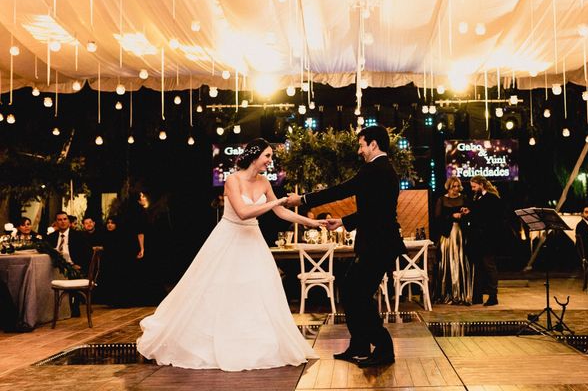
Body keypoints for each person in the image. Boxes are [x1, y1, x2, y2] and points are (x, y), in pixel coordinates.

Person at [137, 138, 323, 371]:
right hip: (229, 238)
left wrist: (311, 223)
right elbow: (244, 212)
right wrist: (278, 201)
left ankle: (255, 344)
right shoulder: (232, 181)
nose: (270, 161)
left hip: (253, 241)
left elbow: (281, 211)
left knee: (260, 289)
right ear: (255, 156)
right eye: (267, 156)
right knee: (220, 289)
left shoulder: (265, 181)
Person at [288, 125, 406, 368]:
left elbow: (341, 190)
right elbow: (372, 211)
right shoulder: (380, 170)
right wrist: (342, 221)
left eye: (362, 144)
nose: (359, 150)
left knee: (357, 294)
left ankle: (383, 347)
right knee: (351, 290)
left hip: (379, 245)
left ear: (374, 144)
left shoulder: (376, 169)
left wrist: (302, 200)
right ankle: (360, 345)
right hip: (377, 243)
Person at [461, 175, 501, 306]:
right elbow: (478, 213)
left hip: (487, 238)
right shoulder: (478, 197)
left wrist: (471, 213)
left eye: (474, 186)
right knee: (478, 267)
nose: (472, 189)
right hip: (477, 238)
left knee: (489, 266)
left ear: (481, 185)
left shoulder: (491, 198)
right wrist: (469, 211)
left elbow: (489, 218)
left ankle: (493, 296)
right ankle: (477, 295)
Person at [434, 177, 473, 305]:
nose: (456, 189)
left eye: (457, 186)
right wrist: (451, 216)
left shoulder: (464, 198)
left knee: (460, 260)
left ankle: (461, 293)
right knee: (447, 261)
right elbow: (437, 218)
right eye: (453, 187)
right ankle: (447, 293)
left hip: (461, 233)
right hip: (447, 234)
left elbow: (471, 214)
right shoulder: (442, 199)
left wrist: (465, 212)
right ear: (449, 187)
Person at [45, 211, 91, 316]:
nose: (62, 222)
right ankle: (50, 310)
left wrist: (80, 265)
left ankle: (72, 306)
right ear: (56, 222)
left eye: (65, 219)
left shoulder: (79, 235)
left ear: (69, 221)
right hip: (54, 267)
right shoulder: (50, 237)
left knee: (72, 275)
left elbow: (88, 254)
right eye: (59, 220)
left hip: (73, 267)